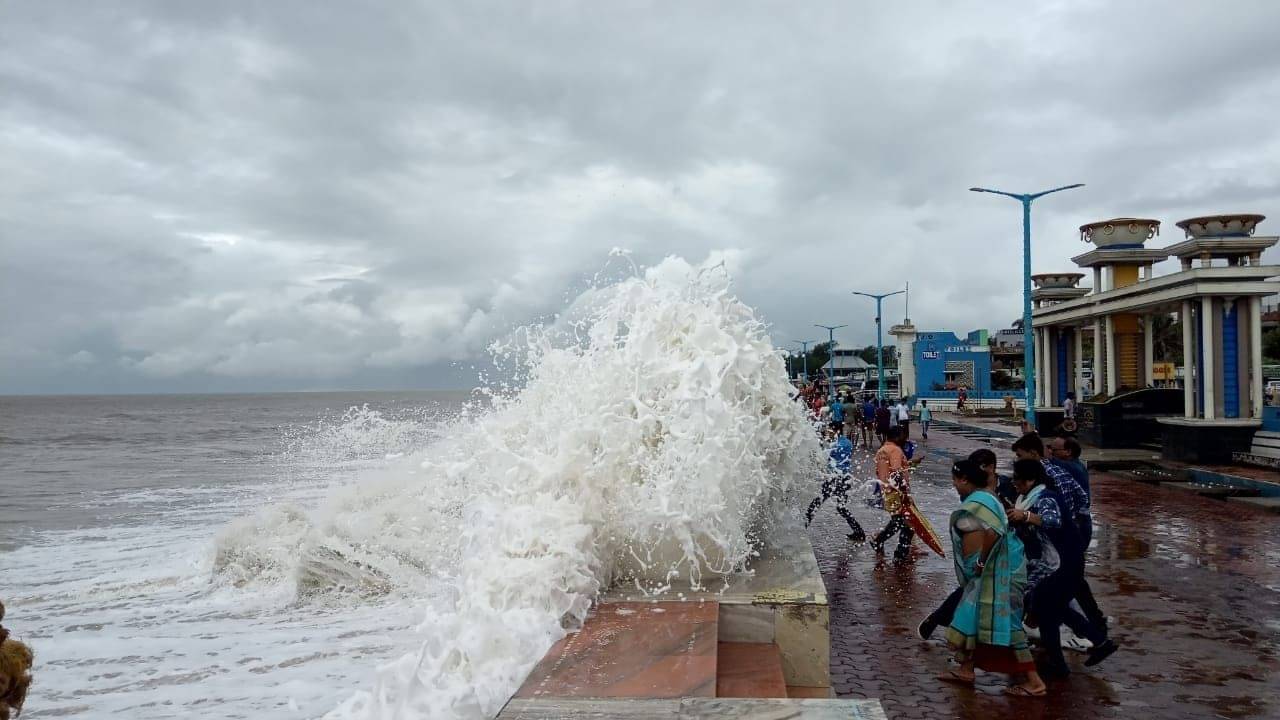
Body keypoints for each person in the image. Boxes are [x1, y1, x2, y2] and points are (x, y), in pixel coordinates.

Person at [937, 459, 1046, 697]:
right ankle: (966, 669)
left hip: (998, 573)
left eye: (955, 480)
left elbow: (994, 532)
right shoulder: (983, 499)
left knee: (1010, 626)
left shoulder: (981, 501)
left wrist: (981, 561)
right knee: (970, 618)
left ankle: (1034, 682)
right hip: (989, 574)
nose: (954, 485)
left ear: (964, 480)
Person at [1008, 460, 1117, 678]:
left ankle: (1074, 655)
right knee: (1051, 609)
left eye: (1016, 479)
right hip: (1055, 565)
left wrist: (1026, 516)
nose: (1014, 483)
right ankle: (1087, 648)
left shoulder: (1046, 498)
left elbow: (1052, 521)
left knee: (1045, 606)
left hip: (1062, 565)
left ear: (1029, 480)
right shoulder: (1030, 499)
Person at [806, 423, 867, 542]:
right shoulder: (846, 442)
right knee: (841, 507)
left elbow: (826, 455)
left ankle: (804, 525)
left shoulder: (836, 444)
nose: (828, 433)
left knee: (817, 502)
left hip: (836, 478)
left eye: (830, 431)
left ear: (835, 431)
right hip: (844, 478)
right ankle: (858, 532)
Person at [871, 426, 915, 561]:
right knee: (907, 524)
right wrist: (905, 494)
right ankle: (898, 554)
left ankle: (885, 544)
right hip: (897, 492)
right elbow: (896, 473)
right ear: (896, 437)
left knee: (901, 522)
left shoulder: (882, 450)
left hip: (887, 491)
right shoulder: (895, 450)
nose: (905, 439)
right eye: (903, 436)